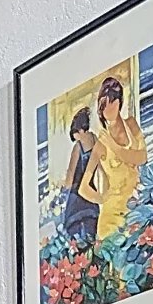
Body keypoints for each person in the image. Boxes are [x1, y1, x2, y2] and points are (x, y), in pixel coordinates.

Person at [78, 74, 148, 242]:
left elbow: (142, 158)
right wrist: (103, 199)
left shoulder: (131, 125)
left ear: (119, 102)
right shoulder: (101, 143)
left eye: (112, 102)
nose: (108, 109)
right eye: (103, 105)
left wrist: (114, 146)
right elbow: (83, 188)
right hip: (111, 218)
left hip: (137, 206)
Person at [57, 105, 99, 247]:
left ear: (80, 130)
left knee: (73, 234)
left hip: (77, 196)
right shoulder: (94, 139)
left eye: (74, 132)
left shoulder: (78, 147)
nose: (74, 137)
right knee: (92, 231)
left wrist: (63, 190)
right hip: (91, 193)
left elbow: (70, 176)